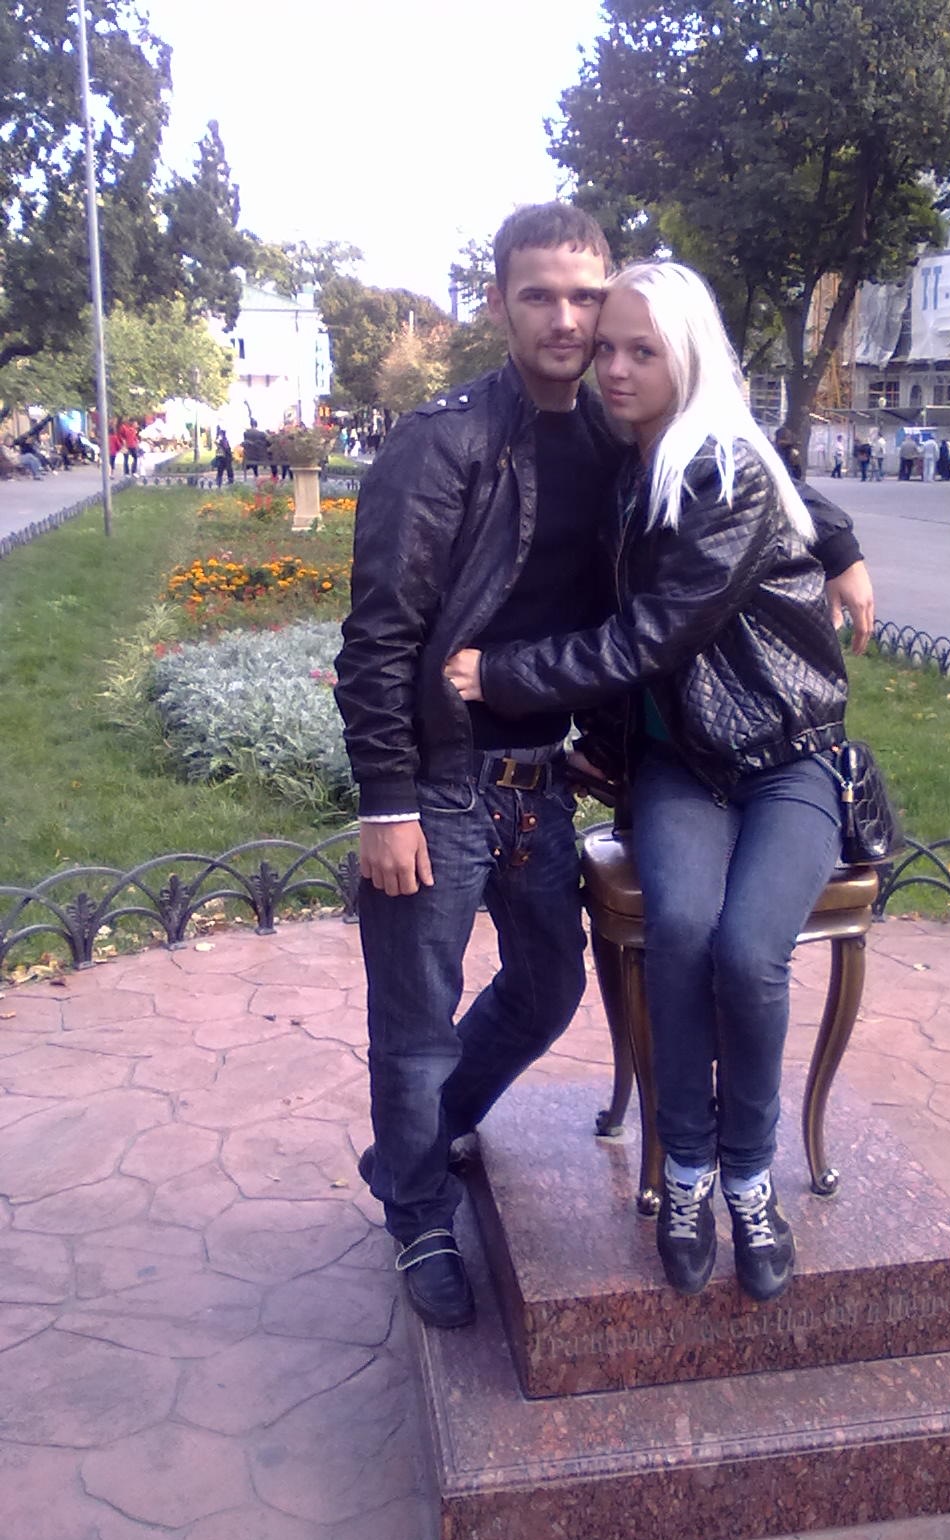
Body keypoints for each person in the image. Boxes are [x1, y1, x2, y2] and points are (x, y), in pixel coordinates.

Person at [335, 207, 876, 1330]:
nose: (570, 320)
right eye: (541, 294)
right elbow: (379, 636)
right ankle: (419, 1210)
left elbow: (732, 452)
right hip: (441, 776)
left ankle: (418, 1144)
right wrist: (385, 801)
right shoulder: (441, 444)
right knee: (418, 1018)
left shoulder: (606, 430)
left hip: (542, 774)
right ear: (500, 303)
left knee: (547, 990)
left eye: (587, 298)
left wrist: (837, 541)